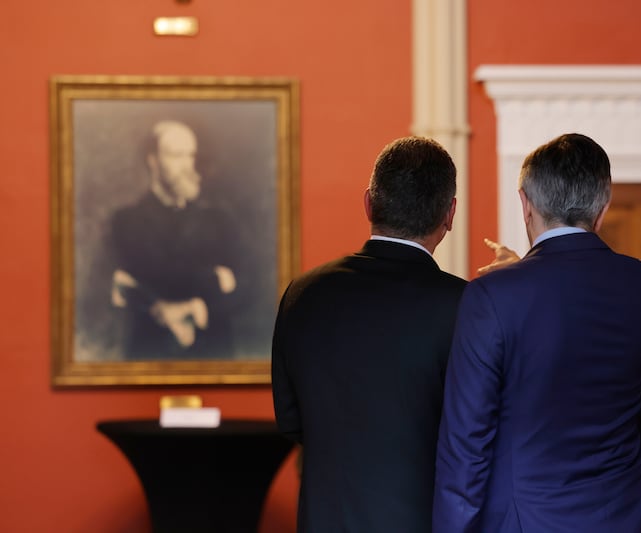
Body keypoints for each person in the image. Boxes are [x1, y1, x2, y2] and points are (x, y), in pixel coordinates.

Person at [433, 133, 641, 532]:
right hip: (629, 516)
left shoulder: (491, 297)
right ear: (603, 207)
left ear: (525, 204)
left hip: (528, 520)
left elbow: (466, 444)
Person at [271, 136, 466, 533]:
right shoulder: (467, 306)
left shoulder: (302, 294)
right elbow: (477, 435)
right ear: (450, 213)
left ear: (368, 204)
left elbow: (290, 420)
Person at [110, 120, 244, 360]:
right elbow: (126, 285)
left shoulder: (218, 220)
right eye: (176, 155)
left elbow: (251, 283)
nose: (186, 165)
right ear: (153, 160)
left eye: (190, 155)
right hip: (150, 353)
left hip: (214, 353)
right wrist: (213, 278)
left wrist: (201, 308)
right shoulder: (126, 221)